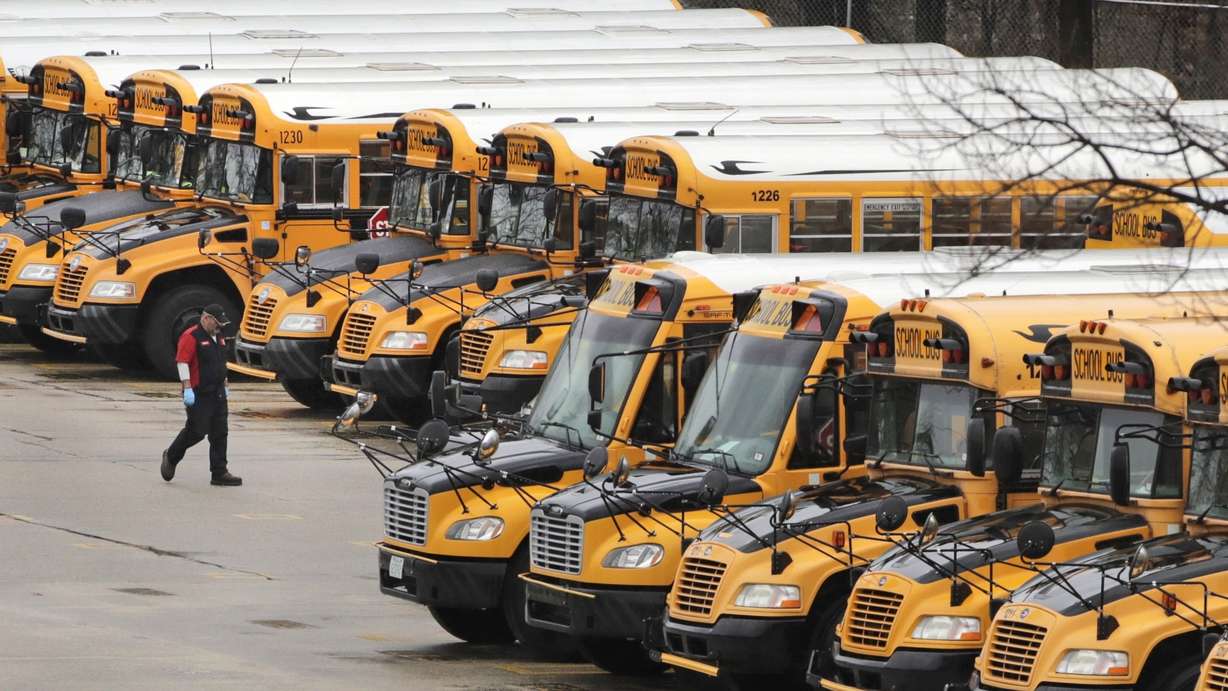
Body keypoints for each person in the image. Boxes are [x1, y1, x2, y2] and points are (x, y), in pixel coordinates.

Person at [161, 304, 242, 486]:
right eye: (216, 322)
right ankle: (171, 455)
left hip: (218, 393)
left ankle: (219, 472)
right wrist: (187, 388)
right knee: (197, 431)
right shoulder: (191, 337)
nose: (219, 326)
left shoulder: (219, 337)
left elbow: (221, 363)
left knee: (220, 433)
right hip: (198, 393)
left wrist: (226, 384)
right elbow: (182, 362)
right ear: (206, 318)